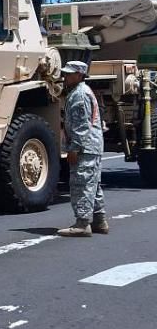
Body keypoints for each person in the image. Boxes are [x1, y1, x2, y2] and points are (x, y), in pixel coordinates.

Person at [57, 60, 108, 237]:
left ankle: (82, 224)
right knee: (93, 184)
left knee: (82, 184)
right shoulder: (82, 91)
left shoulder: (79, 94)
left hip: (85, 147)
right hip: (92, 145)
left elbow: (81, 125)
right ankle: (100, 221)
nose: (65, 77)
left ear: (79, 75)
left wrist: (74, 148)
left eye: (69, 74)